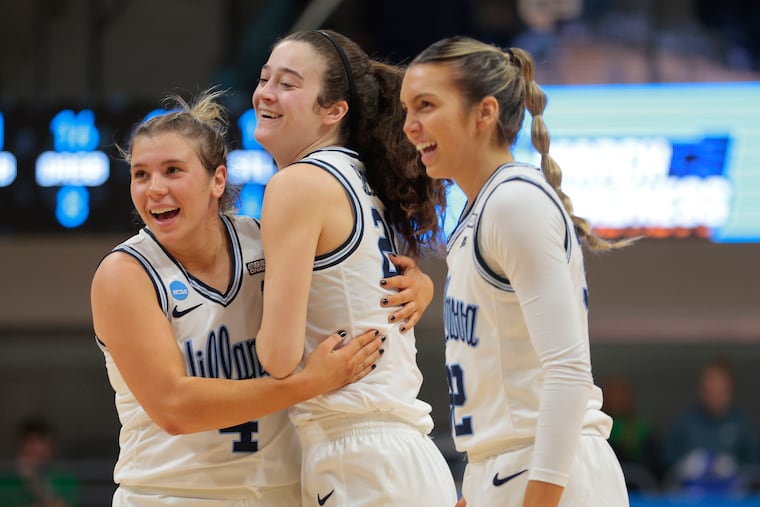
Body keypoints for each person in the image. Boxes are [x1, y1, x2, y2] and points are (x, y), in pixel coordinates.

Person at [90, 88, 434, 506]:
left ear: (218, 180)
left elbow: (354, 278)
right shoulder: (124, 274)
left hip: (282, 493)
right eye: (141, 174)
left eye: (172, 170)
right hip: (173, 494)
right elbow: (174, 407)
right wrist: (310, 383)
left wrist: (418, 284)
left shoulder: (266, 242)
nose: (153, 188)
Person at [399, 36, 631, 507]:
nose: (410, 126)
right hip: (509, 469)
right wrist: (476, 487)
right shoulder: (484, 207)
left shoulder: (514, 202)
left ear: (483, 112)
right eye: (406, 109)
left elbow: (566, 372)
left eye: (425, 105)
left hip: (550, 473)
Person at [251, 29, 458, 506]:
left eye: (288, 83)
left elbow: (278, 358)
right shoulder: (364, 179)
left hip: (360, 459)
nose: (266, 92)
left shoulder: (296, 184)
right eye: (265, 78)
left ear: (333, 110)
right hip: (404, 456)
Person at [662, 358, 759, 495]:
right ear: (702, 390)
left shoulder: (742, 423)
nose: (714, 394)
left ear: (729, 390)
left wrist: (735, 469)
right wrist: (684, 466)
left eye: (719, 389)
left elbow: (754, 466)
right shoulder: (685, 421)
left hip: (731, 499)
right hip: (690, 497)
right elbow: (664, 463)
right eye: (709, 389)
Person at [0, 417, 78, 507]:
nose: (34, 460)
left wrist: (33, 480)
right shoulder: (5, 483)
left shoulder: (65, 480)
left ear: (52, 450)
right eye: (29, 452)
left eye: (40, 454)